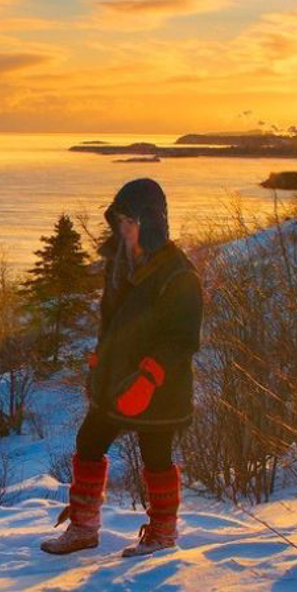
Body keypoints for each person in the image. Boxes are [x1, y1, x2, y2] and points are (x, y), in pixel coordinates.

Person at [41, 177, 202, 558]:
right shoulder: (117, 265)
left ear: (152, 222)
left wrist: (149, 377)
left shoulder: (179, 274)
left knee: (156, 456)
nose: (124, 229)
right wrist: (98, 360)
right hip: (115, 379)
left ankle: (163, 533)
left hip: (159, 387)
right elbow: (111, 322)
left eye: (130, 222)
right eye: (120, 222)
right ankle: (83, 528)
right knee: (89, 442)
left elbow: (182, 338)